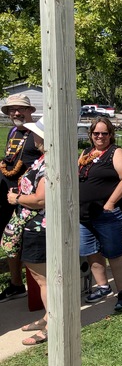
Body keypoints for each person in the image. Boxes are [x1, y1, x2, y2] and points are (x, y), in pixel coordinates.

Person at [78, 118, 122, 311]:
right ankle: (103, 286)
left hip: (107, 213)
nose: (100, 137)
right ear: (90, 135)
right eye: (96, 133)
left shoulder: (115, 153)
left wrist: (110, 203)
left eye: (104, 133)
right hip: (84, 215)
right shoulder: (86, 153)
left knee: (114, 253)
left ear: (110, 134)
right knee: (90, 251)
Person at [5, 118, 47, 345]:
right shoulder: (42, 159)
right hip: (33, 223)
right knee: (40, 277)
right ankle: (49, 316)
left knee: (44, 279)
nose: (32, 137)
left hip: (39, 225)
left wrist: (17, 198)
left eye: (35, 133)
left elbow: (41, 199)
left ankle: (52, 323)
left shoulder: (49, 163)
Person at [0, 94, 43, 302]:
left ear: (30, 111)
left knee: (28, 242)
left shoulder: (39, 133)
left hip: (29, 199)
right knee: (10, 240)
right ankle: (16, 284)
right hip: (8, 196)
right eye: (11, 110)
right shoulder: (13, 131)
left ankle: (37, 289)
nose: (16, 113)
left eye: (21, 109)